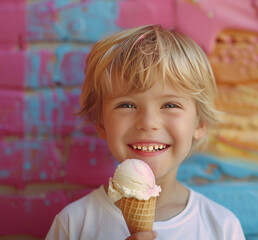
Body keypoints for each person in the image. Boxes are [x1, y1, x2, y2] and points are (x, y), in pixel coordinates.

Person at [46, 25, 245, 240]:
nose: (148, 123)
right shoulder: (75, 224)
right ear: (102, 124)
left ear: (200, 123)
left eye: (170, 105)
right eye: (127, 105)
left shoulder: (222, 228)